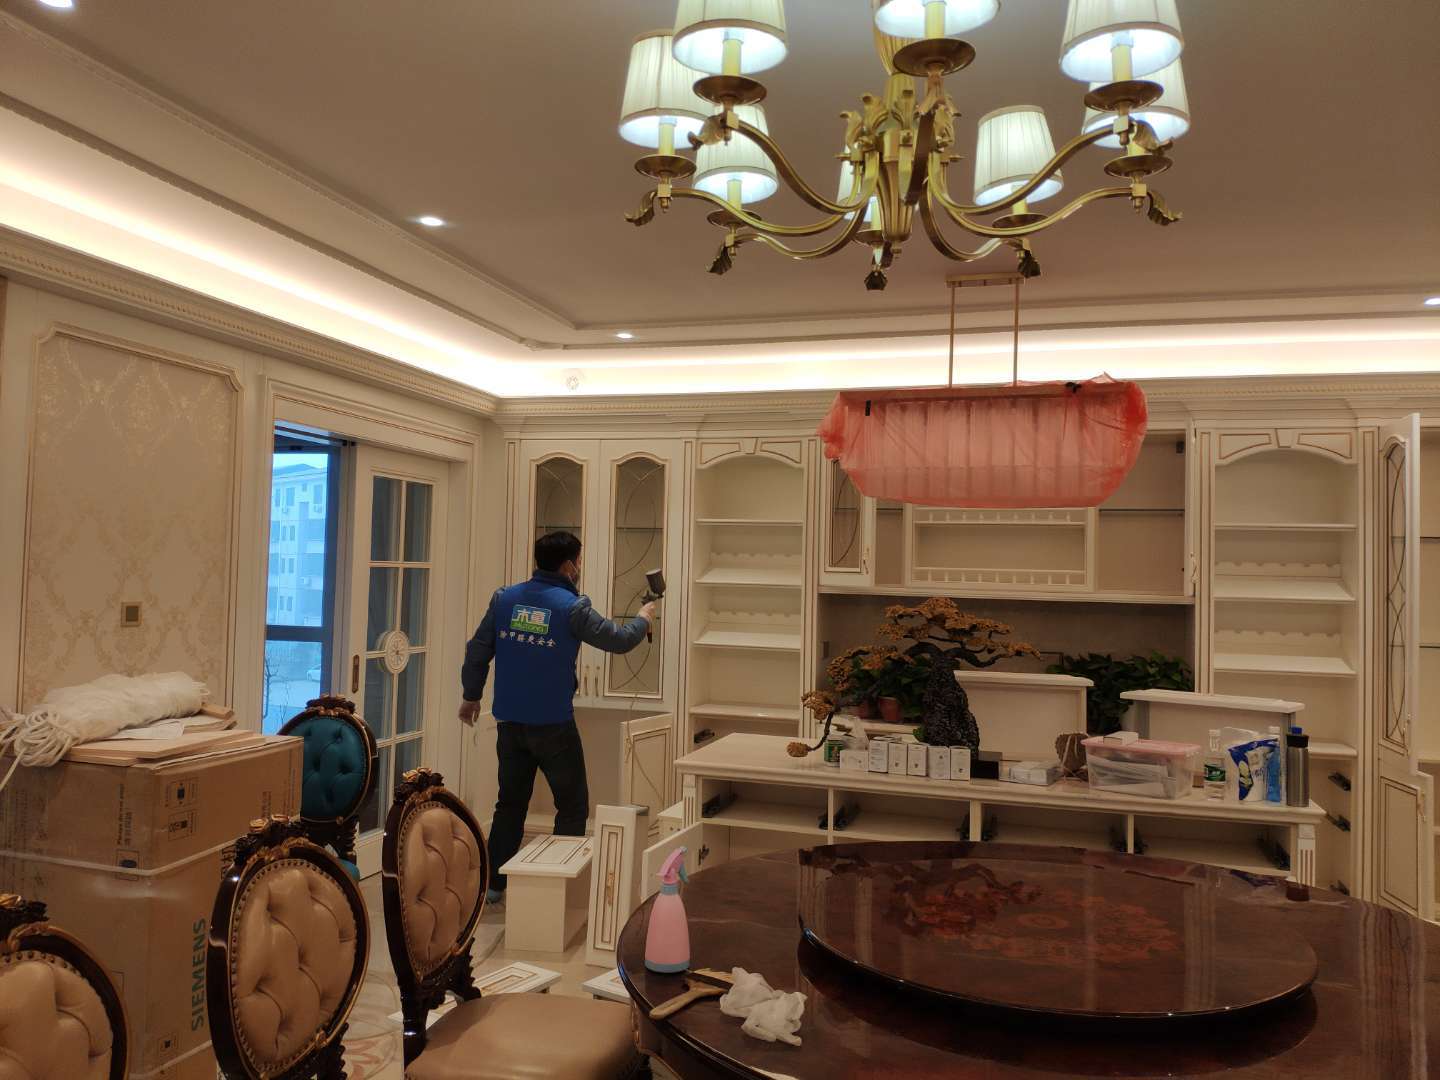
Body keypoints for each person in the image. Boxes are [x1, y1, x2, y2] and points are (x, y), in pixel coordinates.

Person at [458, 530, 656, 903]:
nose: (579, 567)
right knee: (572, 806)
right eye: (578, 561)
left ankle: (494, 885)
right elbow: (618, 639)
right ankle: (559, 889)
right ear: (568, 566)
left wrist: (471, 696)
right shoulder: (571, 608)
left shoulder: (505, 599)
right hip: (554, 729)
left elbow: (478, 650)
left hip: (510, 724)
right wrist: (644, 618)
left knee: (509, 804)